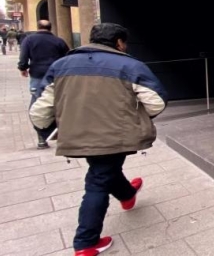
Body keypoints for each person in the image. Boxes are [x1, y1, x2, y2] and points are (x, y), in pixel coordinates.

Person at [29, 23, 167, 256]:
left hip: (76, 133)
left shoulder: (60, 65)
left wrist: (44, 130)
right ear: (119, 42)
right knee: (98, 181)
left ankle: (127, 194)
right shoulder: (130, 65)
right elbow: (156, 102)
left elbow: (40, 108)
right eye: (125, 43)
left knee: (103, 171)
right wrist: (136, 118)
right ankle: (86, 242)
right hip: (116, 135)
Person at [18, 20, 69, 148]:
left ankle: (42, 137)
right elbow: (67, 57)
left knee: (38, 106)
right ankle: (62, 133)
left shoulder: (29, 40)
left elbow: (24, 56)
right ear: (50, 28)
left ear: (38, 27)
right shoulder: (59, 41)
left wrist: (23, 68)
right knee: (59, 103)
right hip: (56, 76)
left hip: (38, 75)